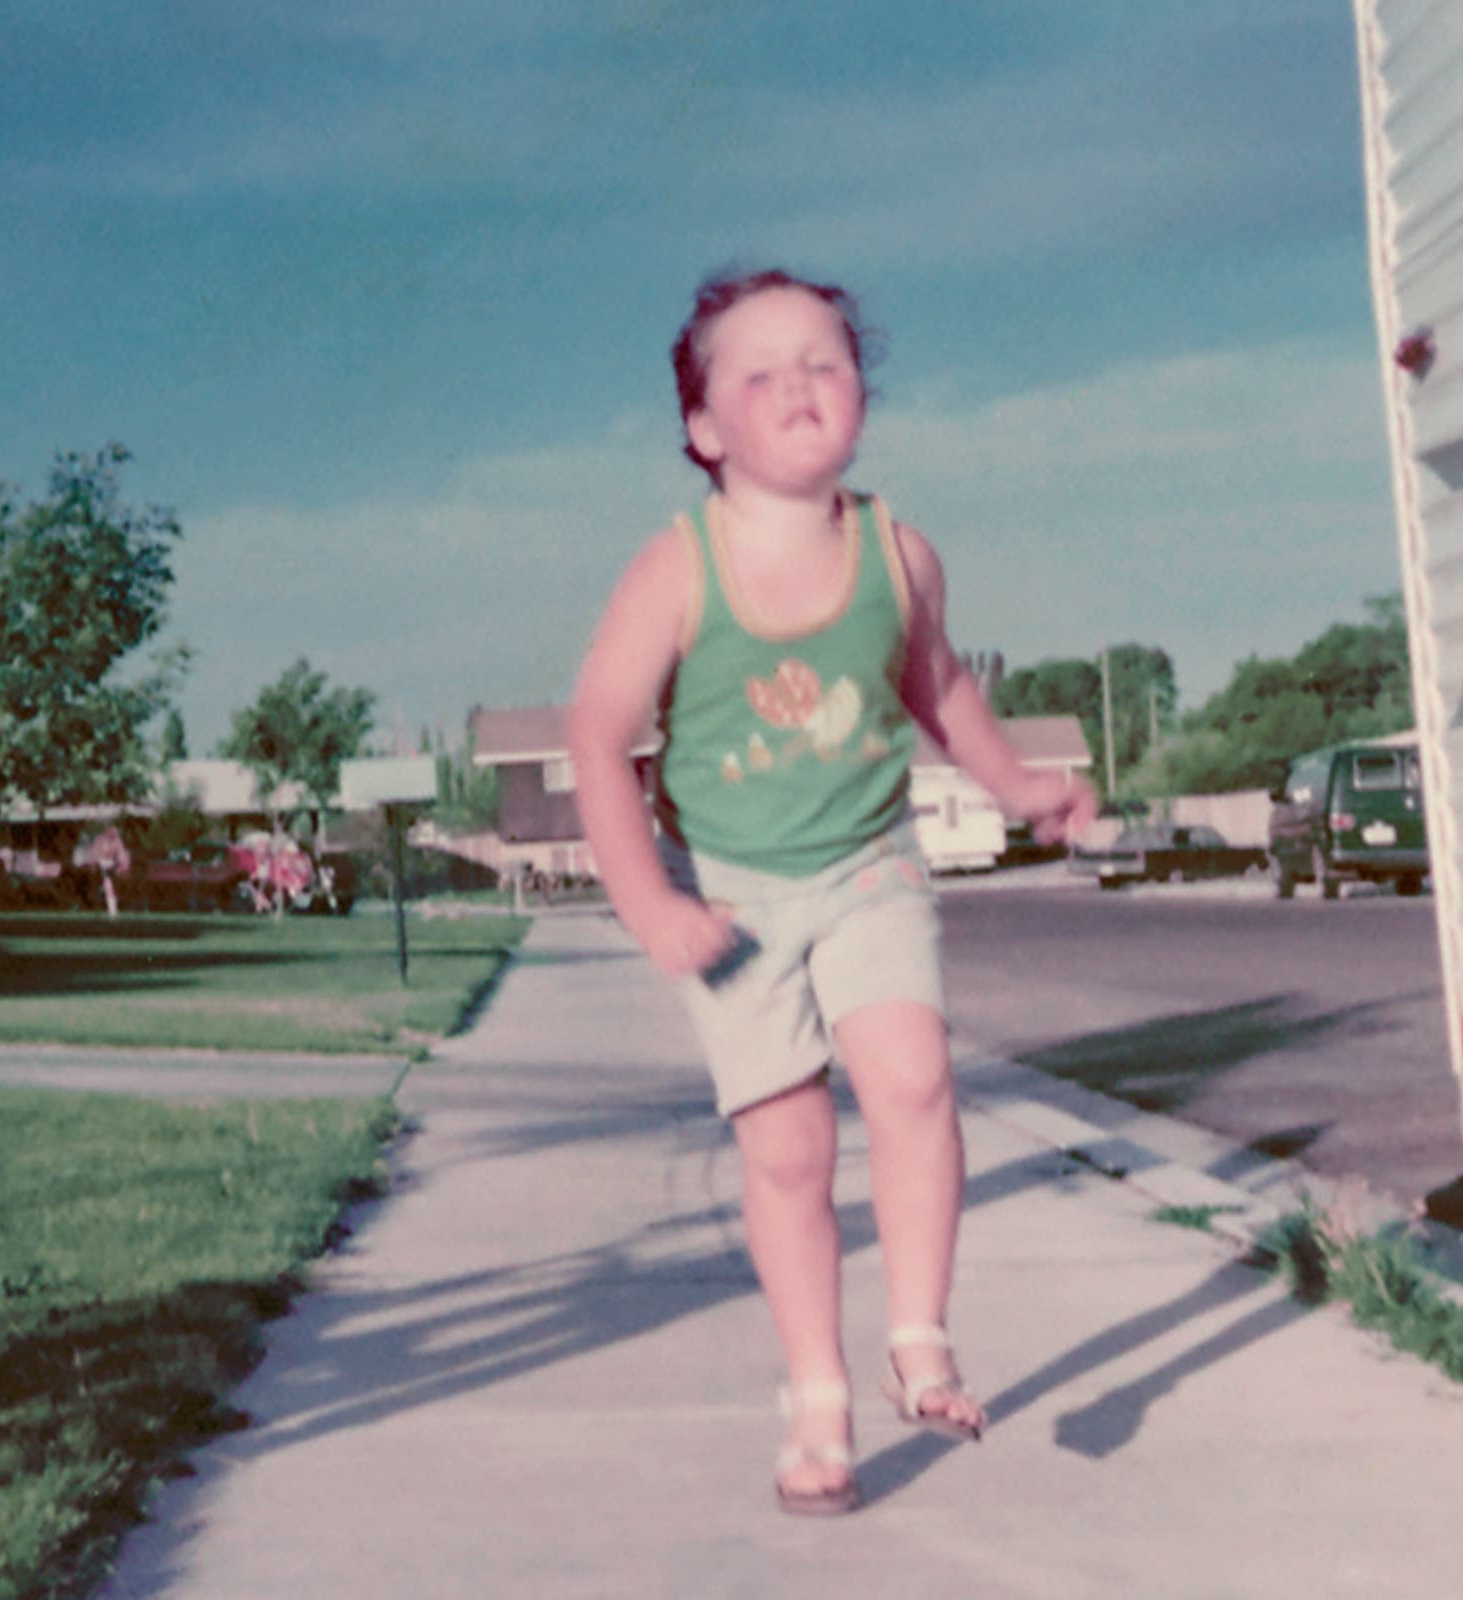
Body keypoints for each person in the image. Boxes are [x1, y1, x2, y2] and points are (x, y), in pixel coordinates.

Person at [566, 268, 1096, 1517]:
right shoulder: (677, 569)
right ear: (705, 428)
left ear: (862, 393)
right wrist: (649, 906)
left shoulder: (899, 555)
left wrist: (1021, 785)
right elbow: (595, 736)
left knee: (913, 1079)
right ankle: (817, 1394)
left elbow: (939, 689)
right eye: (761, 372)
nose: (801, 384)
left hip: (869, 866)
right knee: (792, 1150)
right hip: (731, 896)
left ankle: (920, 1340)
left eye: (826, 361)